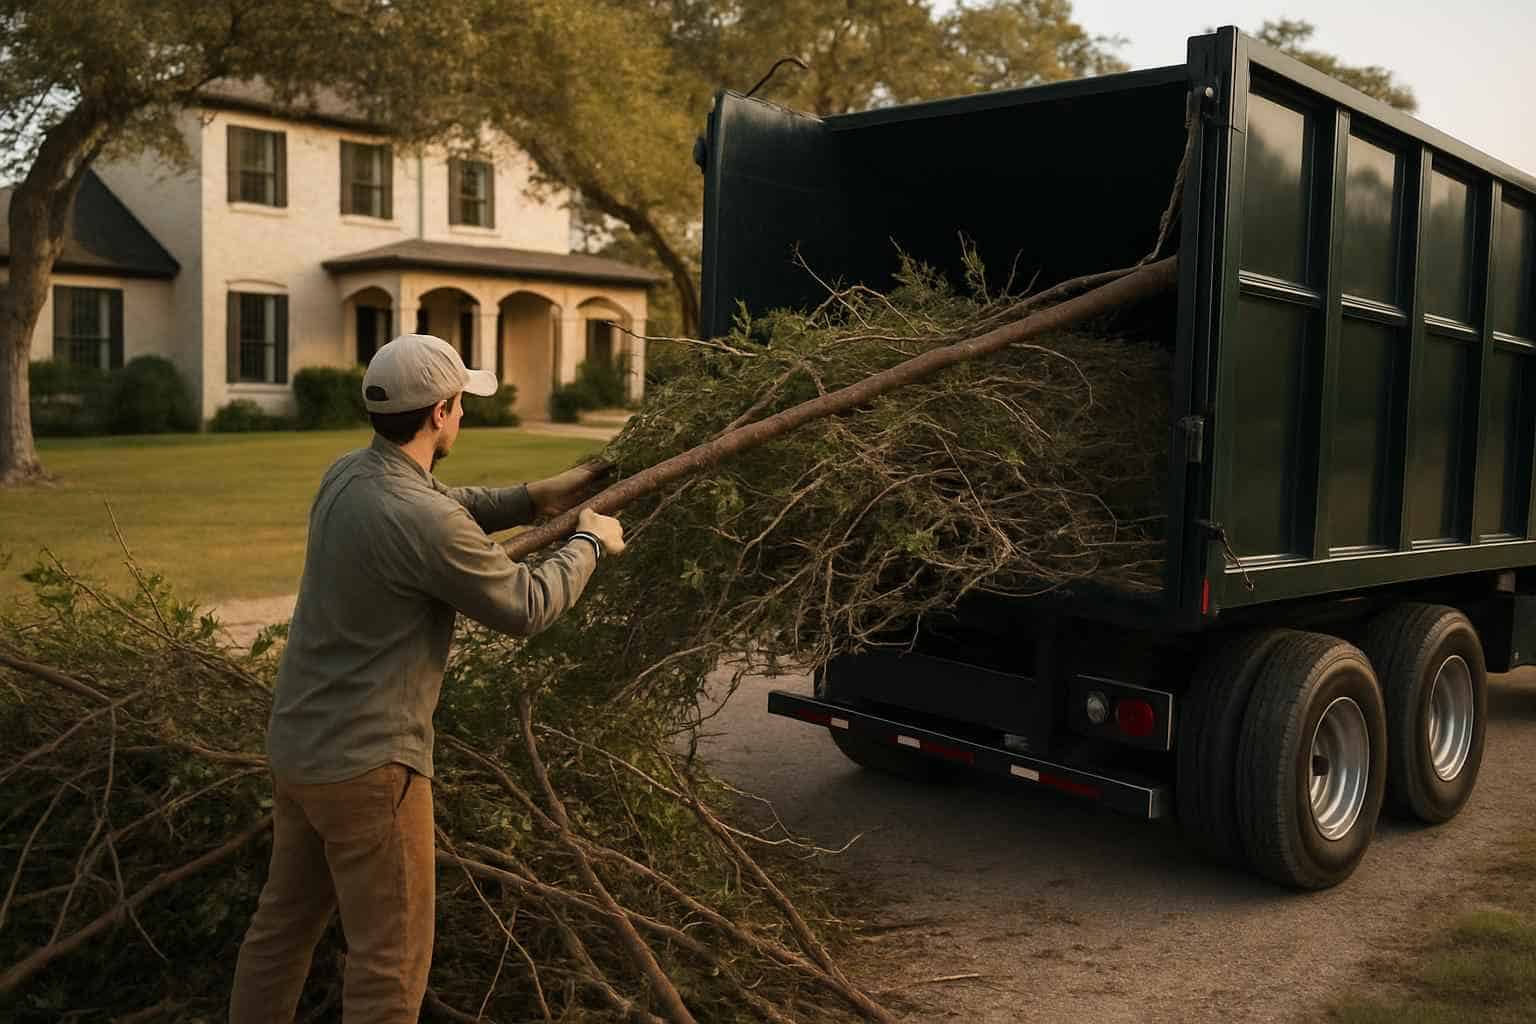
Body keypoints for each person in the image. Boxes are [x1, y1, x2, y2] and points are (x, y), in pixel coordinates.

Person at [228, 334, 623, 1023]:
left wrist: (533, 498)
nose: (464, 414)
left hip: (300, 753)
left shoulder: (346, 476)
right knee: (390, 962)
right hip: (372, 770)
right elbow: (526, 605)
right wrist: (590, 541)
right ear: (439, 414)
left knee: (281, 931)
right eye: (462, 404)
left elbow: (442, 506)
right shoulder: (423, 519)